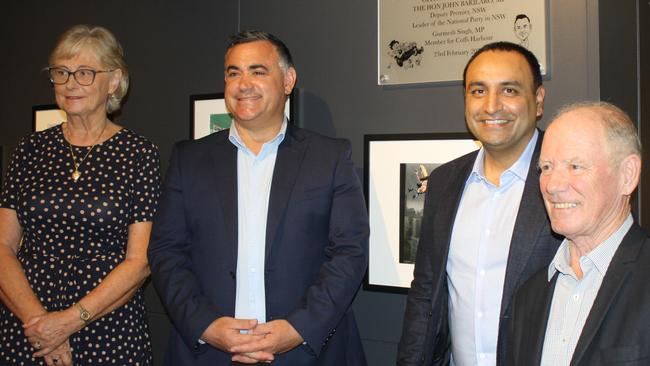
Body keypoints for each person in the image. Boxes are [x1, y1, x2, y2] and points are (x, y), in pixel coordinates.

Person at [148, 30, 369, 365]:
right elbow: (166, 252)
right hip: (208, 353)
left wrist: (297, 329)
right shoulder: (188, 159)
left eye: (258, 71)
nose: (243, 83)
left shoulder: (330, 157)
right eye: (233, 73)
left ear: (288, 80)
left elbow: (350, 253)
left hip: (308, 352)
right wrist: (206, 326)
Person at [0, 24, 160, 365]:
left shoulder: (138, 154)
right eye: (61, 72)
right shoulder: (29, 151)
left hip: (108, 327)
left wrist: (68, 322)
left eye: (85, 73)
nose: (71, 83)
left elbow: (140, 260)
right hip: (27, 326)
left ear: (114, 81)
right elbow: (2, 246)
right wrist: (40, 324)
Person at [397, 41, 562, 366]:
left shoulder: (566, 179)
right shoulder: (444, 183)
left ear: (538, 100)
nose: (491, 105)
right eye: (478, 91)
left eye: (510, 91)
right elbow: (425, 292)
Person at [507, 102, 648, 366]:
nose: (553, 185)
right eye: (546, 167)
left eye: (575, 166)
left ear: (627, 175)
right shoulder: (528, 297)